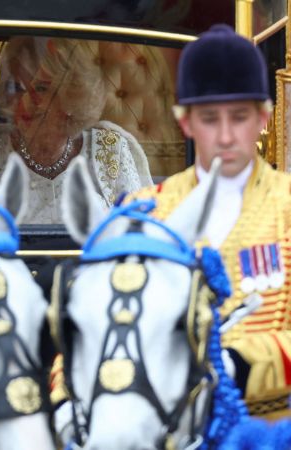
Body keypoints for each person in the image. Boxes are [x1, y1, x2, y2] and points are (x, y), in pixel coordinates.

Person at [132, 24, 291, 418]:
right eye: (209, 118)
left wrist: (236, 364)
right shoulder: (143, 212)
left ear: (263, 117)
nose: (225, 136)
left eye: (239, 117)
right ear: (185, 122)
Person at [0, 36, 153, 224]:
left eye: (41, 88)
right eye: (16, 87)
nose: (25, 101)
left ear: (73, 95)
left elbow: (138, 232)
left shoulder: (110, 150)